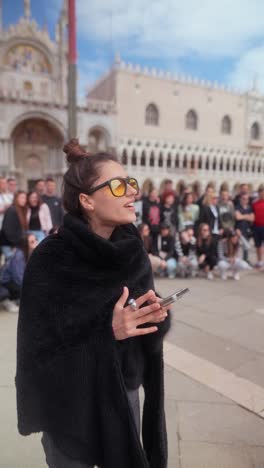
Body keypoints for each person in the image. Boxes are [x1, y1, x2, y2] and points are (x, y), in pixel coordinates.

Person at [16, 139, 171, 468]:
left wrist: (153, 316)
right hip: (71, 407)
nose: (132, 192)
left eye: (131, 183)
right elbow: (39, 353)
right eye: (118, 185)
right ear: (86, 200)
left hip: (123, 392)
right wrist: (109, 331)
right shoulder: (51, 259)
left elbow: (146, 333)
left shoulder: (132, 249)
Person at [0, 233, 38, 312]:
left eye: (36, 240)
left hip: (16, 281)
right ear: (25, 244)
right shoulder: (19, 256)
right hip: (6, 282)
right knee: (26, 290)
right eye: (32, 242)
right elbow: (18, 278)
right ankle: (7, 300)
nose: (36, 243)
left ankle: (17, 299)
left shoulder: (32, 252)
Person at [0, 191, 28, 260]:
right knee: (13, 266)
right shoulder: (12, 210)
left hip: (14, 244)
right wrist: (14, 245)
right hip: (8, 244)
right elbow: (7, 230)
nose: (24, 200)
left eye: (25, 198)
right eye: (22, 198)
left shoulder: (20, 210)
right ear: (16, 198)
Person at [235, 192, 254, 263]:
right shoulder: (237, 207)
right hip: (239, 229)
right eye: (243, 199)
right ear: (240, 199)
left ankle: (245, 260)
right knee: (238, 247)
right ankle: (237, 261)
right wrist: (247, 216)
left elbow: (252, 218)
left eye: (247, 199)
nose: (245, 200)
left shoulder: (249, 208)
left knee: (246, 247)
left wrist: (242, 216)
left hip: (247, 229)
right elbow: (237, 217)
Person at [252, 185, 264, 269]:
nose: (262, 194)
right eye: (261, 193)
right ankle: (259, 261)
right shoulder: (254, 203)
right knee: (258, 245)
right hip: (256, 227)